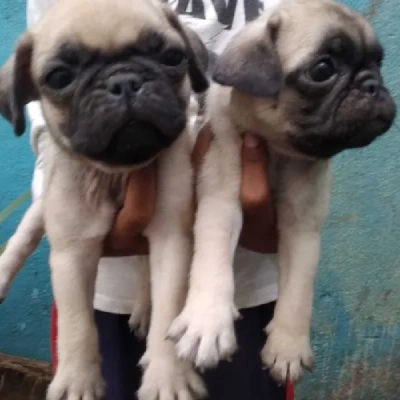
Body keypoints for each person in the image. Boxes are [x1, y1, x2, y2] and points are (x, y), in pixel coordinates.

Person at [27, 0, 293, 399]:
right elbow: (46, 131)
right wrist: (79, 228)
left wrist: (286, 222)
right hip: (103, 295)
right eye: (67, 76)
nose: (124, 89)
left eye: (168, 58)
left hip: (245, 293)